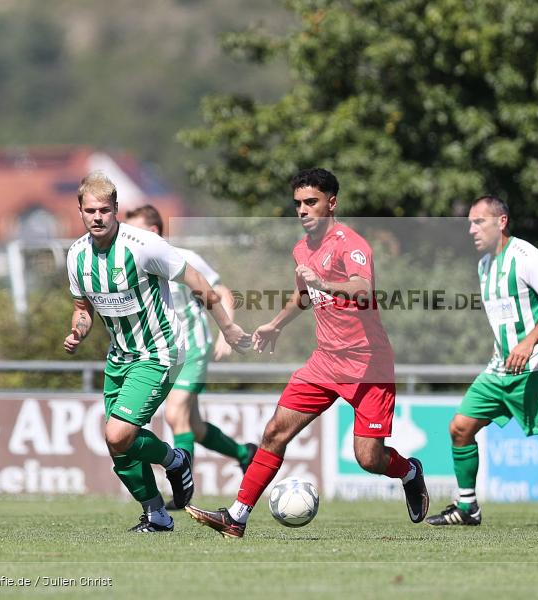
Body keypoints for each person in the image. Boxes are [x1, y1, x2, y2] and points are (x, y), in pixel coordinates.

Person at [185, 167, 429, 538]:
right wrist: (276, 324)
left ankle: (409, 472)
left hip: (368, 365)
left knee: (369, 458)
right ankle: (236, 517)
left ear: (331, 203)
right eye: (298, 203)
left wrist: (325, 282)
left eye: (311, 202)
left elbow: (363, 289)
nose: (302, 210)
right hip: (325, 361)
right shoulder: (301, 248)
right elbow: (303, 294)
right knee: (274, 433)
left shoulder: (352, 244)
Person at [63, 171, 250, 532]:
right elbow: (82, 308)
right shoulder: (76, 256)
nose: (97, 217)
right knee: (119, 445)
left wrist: (227, 327)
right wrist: (78, 331)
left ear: (116, 209)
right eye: (90, 211)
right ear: (81, 212)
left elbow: (197, 281)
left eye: (104, 209)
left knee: (119, 434)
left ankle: (174, 459)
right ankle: (156, 514)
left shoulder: (144, 244)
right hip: (119, 357)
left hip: (158, 352)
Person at [425, 195, 538, 528]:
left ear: (501, 222)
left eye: (478, 221)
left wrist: (528, 342)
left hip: (537, 367)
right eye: (469, 222)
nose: (471, 229)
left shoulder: (526, 256)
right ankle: (467, 507)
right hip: (500, 368)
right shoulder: (484, 266)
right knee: (460, 428)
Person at [125, 205, 258, 511]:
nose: (127, 237)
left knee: (174, 415)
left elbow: (222, 292)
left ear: (154, 232)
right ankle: (243, 454)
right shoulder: (133, 262)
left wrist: (226, 330)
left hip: (193, 348)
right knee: (193, 426)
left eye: (134, 230)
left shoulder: (183, 257)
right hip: (164, 352)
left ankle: (182, 493)